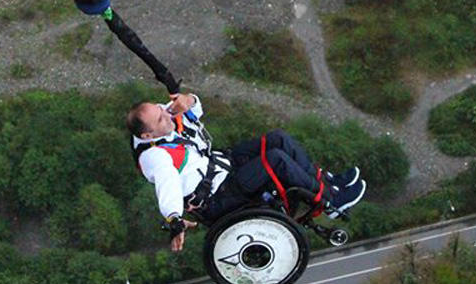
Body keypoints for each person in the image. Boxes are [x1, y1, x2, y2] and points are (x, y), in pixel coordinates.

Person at [127, 93, 366, 252]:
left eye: (162, 110)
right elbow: (167, 184)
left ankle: (326, 182)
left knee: (278, 138)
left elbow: (194, 111)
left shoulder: (160, 119)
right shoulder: (154, 157)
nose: (167, 114)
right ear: (147, 135)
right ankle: (330, 201)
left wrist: (189, 99)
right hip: (218, 196)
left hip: (223, 165)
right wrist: (173, 218)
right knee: (275, 160)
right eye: (161, 119)